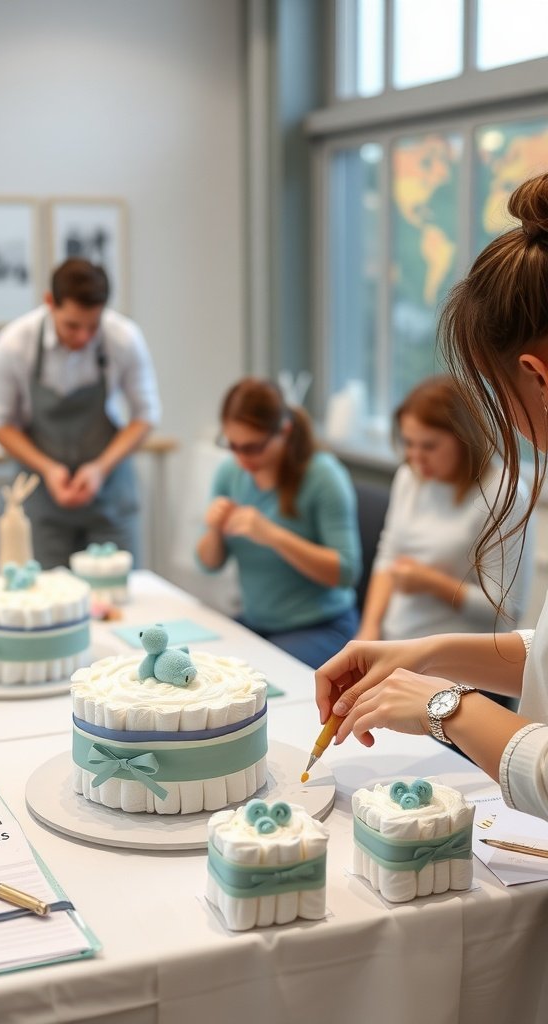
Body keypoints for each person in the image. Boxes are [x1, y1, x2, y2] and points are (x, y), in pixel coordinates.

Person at [316, 172, 548, 822]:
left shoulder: (515, 487)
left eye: (495, 395)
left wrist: (445, 705)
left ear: (534, 376)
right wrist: (428, 653)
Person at [0, 258, 161, 568]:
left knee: (121, 601)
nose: (83, 337)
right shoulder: (14, 345)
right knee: (46, 596)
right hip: (42, 496)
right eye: (72, 326)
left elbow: (145, 416)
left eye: (93, 326)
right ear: (49, 302)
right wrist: (49, 469)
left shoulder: (124, 339)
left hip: (109, 495)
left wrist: (100, 468)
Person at [196, 377, 362, 669]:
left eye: (253, 447)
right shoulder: (229, 472)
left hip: (320, 625)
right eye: (233, 445)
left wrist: (272, 535)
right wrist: (213, 529)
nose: (242, 458)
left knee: (257, 683)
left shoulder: (323, 476)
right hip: (258, 623)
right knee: (206, 671)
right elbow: (208, 564)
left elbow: (346, 572)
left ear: (283, 432)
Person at [356, 375, 532, 644]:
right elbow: (388, 555)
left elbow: (505, 612)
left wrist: (430, 582)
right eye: (408, 443)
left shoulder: (504, 494)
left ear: (465, 439)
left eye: (429, 446)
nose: (416, 458)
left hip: (457, 657)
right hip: (396, 640)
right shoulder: (410, 475)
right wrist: (369, 630)